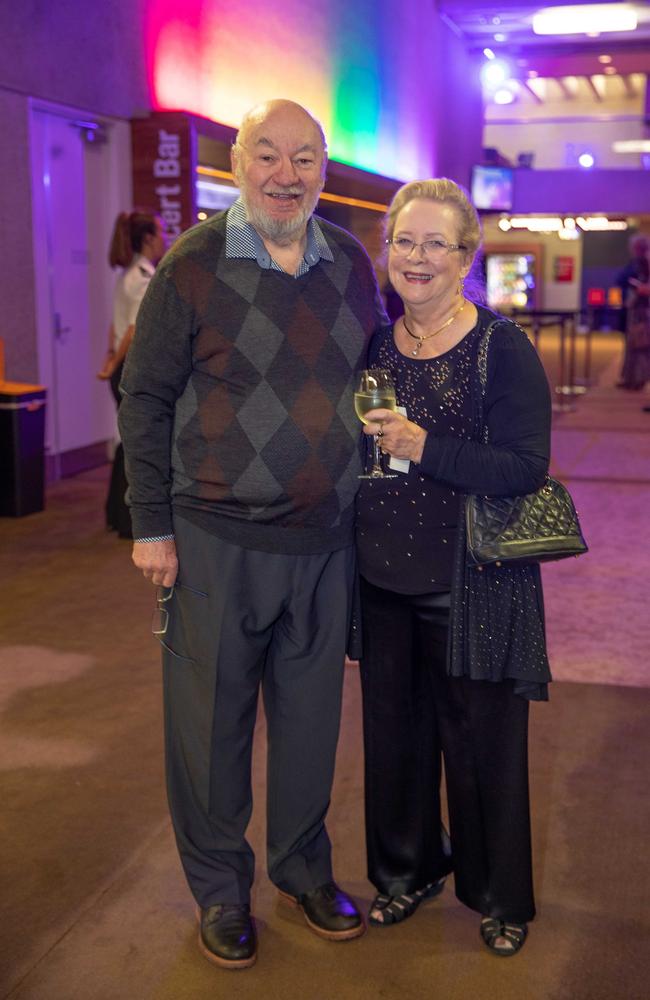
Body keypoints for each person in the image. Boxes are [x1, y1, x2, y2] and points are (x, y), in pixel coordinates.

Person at [118, 100, 387, 970]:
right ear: (238, 162)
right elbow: (146, 398)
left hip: (324, 540)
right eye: (267, 154)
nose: (286, 173)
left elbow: (374, 375)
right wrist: (151, 525)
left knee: (312, 727)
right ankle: (220, 891)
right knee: (210, 729)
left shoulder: (348, 261)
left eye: (303, 158)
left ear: (322, 169)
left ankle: (303, 868)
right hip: (213, 538)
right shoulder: (194, 264)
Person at [356, 178, 552, 957]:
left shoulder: (501, 348)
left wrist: (423, 446)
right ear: (388, 250)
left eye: (437, 243)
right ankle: (406, 872)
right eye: (406, 241)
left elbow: (525, 468)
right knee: (394, 743)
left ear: (467, 256)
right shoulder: (377, 343)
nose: (418, 257)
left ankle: (499, 895)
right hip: (382, 582)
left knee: (484, 750)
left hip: (472, 584)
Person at [97, 211, 167, 537]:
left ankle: (115, 515)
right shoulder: (142, 277)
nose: (165, 238)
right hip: (131, 368)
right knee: (136, 444)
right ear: (149, 238)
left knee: (126, 441)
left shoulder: (127, 274)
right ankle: (127, 521)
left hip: (120, 366)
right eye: (161, 232)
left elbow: (116, 326)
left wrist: (109, 358)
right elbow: (135, 329)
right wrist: (114, 364)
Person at [616, 235, 650, 391]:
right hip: (635, 309)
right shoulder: (636, 263)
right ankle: (631, 378)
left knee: (640, 345)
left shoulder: (643, 263)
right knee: (632, 345)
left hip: (642, 312)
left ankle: (638, 378)